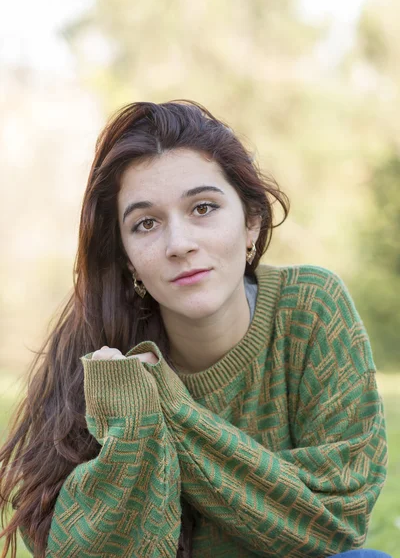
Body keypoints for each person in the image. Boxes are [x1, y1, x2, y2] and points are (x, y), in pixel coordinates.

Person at [0, 100, 389, 558]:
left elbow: (337, 522)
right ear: (128, 258)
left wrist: (169, 404)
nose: (179, 244)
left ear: (251, 222)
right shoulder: (103, 355)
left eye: (203, 208)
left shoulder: (309, 307)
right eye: (146, 223)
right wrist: (134, 417)